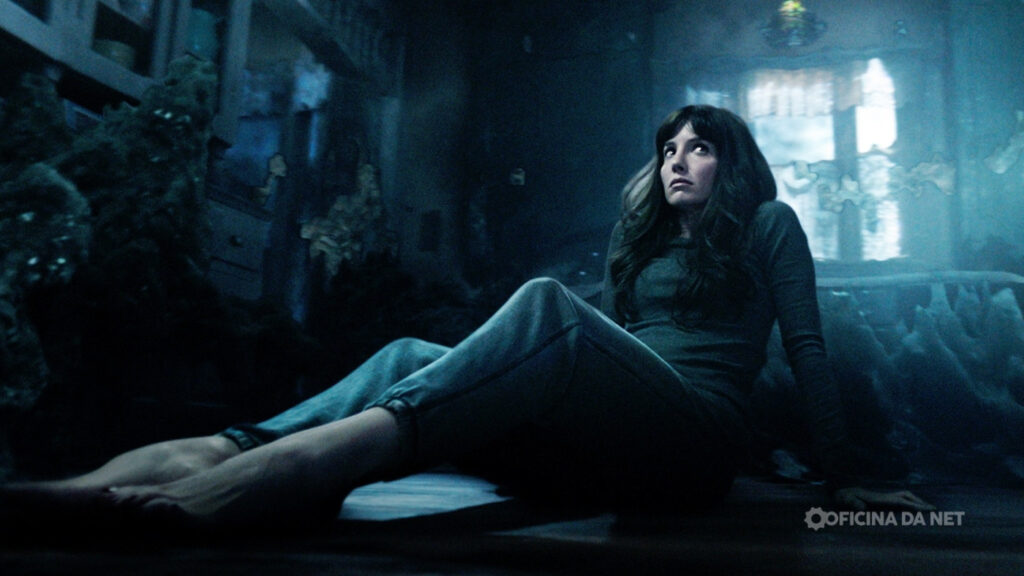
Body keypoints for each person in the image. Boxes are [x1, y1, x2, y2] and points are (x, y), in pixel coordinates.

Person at [2, 105, 931, 529]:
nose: (677, 161)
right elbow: (600, 353)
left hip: (694, 446)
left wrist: (840, 478)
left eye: (700, 148)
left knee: (546, 306)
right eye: (667, 149)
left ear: (736, 162)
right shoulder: (641, 241)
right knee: (409, 348)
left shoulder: (768, 224)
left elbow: (806, 346)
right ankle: (208, 454)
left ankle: (310, 466)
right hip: (612, 443)